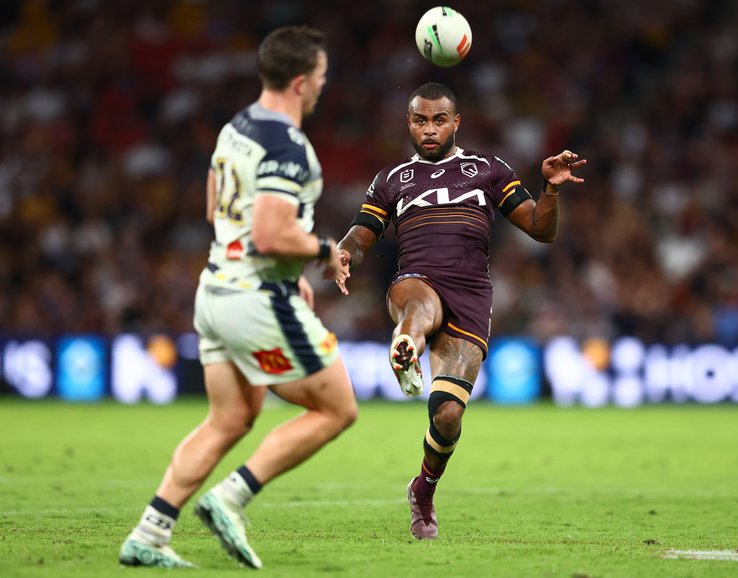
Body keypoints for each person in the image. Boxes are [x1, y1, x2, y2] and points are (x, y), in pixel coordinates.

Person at [119, 25, 358, 569]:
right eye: (321, 76)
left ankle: (149, 534)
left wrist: (287, 264)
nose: (324, 85)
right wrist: (322, 249)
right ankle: (231, 496)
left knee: (229, 419)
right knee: (337, 408)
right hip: (256, 297)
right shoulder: (287, 146)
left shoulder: (236, 128)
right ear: (300, 82)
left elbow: (215, 211)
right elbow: (270, 234)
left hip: (215, 290)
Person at [333, 82, 586, 540]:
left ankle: (423, 490)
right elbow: (362, 232)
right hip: (415, 281)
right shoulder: (392, 179)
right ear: (409, 124)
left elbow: (541, 229)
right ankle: (407, 345)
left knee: (448, 416)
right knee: (418, 308)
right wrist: (345, 253)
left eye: (438, 120)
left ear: (456, 123)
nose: (429, 129)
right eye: (420, 121)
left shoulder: (488, 170)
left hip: (471, 295)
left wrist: (550, 188)